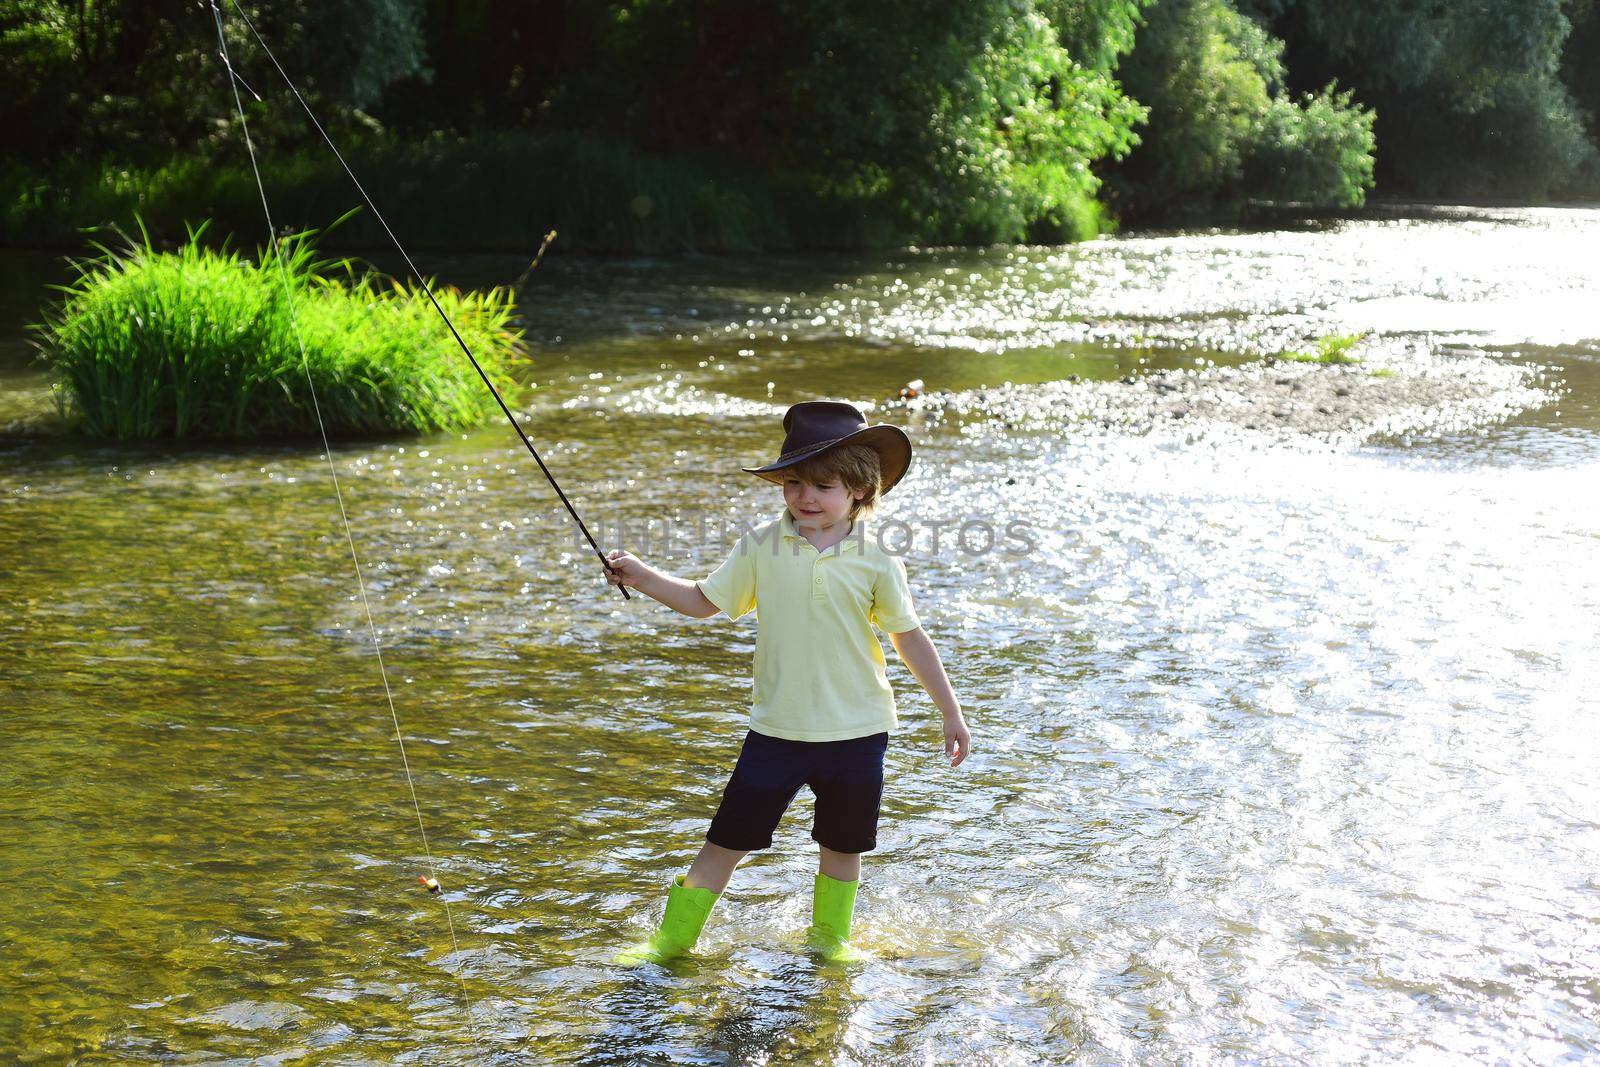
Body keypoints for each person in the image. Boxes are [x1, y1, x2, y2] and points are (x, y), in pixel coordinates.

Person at [605, 400, 971, 965]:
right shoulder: (760, 545)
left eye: (822, 485)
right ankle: (670, 944)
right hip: (775, 731)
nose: (804, 497)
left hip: (858, 733)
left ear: (859, 490)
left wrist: (950, 711)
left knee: (842, 848)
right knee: (724, 842)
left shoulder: (877, 560)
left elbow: (910, 638)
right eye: (793, 482)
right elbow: (704, 603)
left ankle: (830, 945)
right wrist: (643, 576)